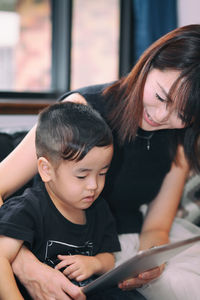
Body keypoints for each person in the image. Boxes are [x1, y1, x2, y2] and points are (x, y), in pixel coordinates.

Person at [1, 24, 200, 299]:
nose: (163, 116)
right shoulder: (82, 108)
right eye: (160, 97)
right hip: (46, 228)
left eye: (183, 114)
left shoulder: (178, 141)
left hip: (107, 243)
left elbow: (156, 227)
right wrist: (25, 266)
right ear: (149, 63)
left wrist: (149, 264)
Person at [0, 102, 145, 300]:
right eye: (82, 176)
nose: (93, 185)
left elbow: (109, 258)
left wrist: (94, 263)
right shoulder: (27, 209)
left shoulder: (99, 208)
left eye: (102, 173)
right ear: (46, 169)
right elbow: (1, 258)